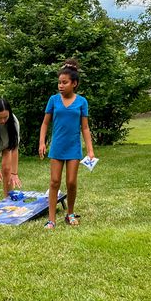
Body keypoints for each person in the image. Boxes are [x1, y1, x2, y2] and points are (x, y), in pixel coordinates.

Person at [38, 59, 95, 229]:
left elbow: (85, 128)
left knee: (71, 182)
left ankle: (69, 214)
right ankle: (52, 219)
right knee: (54, 182)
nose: (60, 86)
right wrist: (42, 142)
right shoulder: (53, 100)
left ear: (74, 83)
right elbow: (45, 123)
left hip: (73, 148)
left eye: (65, 82)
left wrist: (90, 150)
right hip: (57, 147)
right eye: (59, 82)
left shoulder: (82, 102)